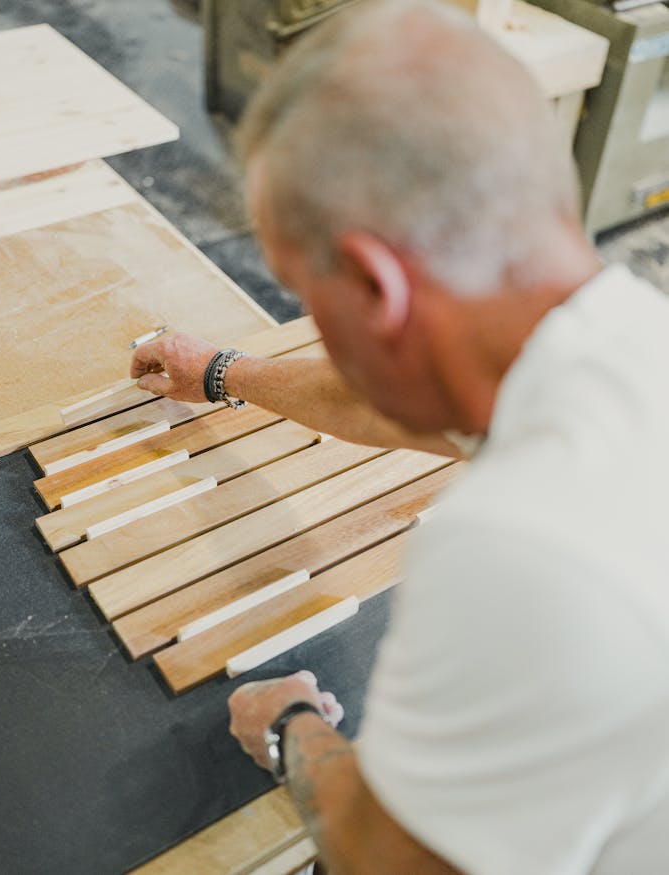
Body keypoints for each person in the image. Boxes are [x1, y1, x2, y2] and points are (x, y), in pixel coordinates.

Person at [130, 1, 669, 872]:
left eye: (305, 291)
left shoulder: (514, 543)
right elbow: (405, 402)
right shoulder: (626, 339)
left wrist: (290, 731)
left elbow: (391, 860)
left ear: (379, 288)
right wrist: (222, 373)